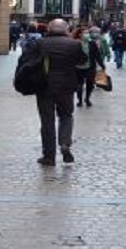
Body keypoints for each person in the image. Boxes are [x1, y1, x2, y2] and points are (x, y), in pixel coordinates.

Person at [32, 19, 87, 166]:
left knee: (47, 121)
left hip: (44, 86)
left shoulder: (40, 43)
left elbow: (30, 61)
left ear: (49, 29)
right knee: (66, 115)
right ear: (66, 30)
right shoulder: (74, 44)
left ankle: (49, 156)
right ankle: (64, 143)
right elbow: (82, 61)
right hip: (66, 87)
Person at [75, 28, 107, 108]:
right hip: (78, 67)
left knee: (90, 84)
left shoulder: (92, 43)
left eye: (88, 33)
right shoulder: (75, 43)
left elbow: (97, 55)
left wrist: (102, 65)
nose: (87, 35)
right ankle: (79, 100)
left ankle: (87, 98)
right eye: (85, 33)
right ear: (80, 34)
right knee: (79, 85)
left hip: (90, 67)